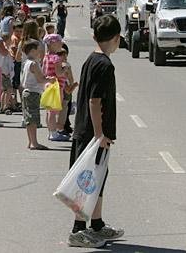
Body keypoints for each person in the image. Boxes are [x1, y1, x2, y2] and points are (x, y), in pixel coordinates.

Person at [67, 14, 124, 248]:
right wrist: (99, 134)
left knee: (97, 180)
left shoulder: (92, 59)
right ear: (116, 38)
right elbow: (94, 100)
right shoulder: (104, 65)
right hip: (92, 134)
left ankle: (97, 225)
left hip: (91, 132)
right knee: (86, 182)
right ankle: (78, 230)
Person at [20, 39, 52, 150]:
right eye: (38, 49)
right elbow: (40, 79)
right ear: (33, 50)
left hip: (26, 92)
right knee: (33, 119)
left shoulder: (26, 62)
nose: (40, 51)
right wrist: (49, 80)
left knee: (28, 118)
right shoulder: (34, 64)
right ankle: (34, 142)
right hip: (32, 92)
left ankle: (31, 141)